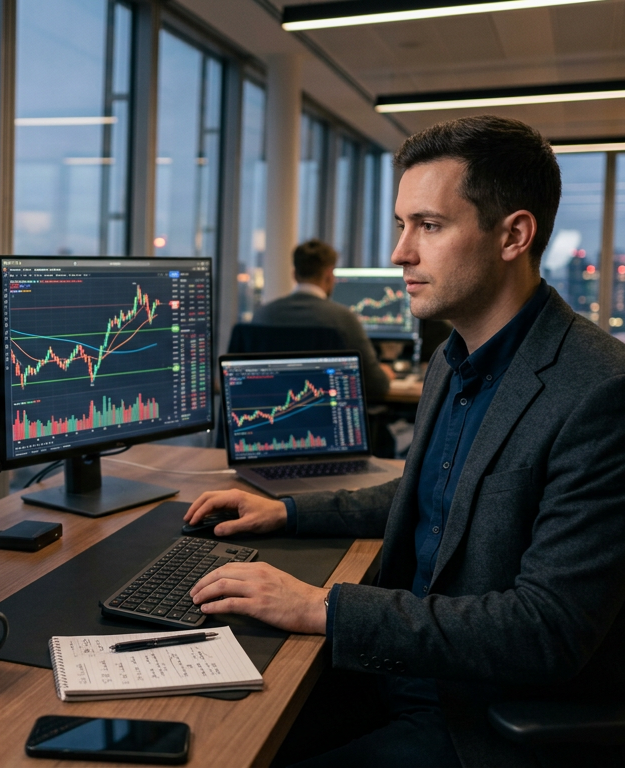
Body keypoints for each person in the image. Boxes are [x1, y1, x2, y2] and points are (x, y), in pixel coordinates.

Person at [185, 115, 625, 767]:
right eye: (401, 225)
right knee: (200, 732)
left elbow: (545, 630)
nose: (400, 253)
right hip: (395, 670)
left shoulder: (599, 391)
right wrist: (287, 512)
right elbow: (431, 491)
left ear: (514, 235)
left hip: (473, 715)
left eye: (430, 226)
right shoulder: (454, 356)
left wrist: (322, 606)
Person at [251, 238, 394, 400]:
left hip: (272, 410)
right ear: (329, 276)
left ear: (294, 275)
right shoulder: (343, 319)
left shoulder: (262, 316)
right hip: (327, 411)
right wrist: (385, 374)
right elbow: (376, 385)